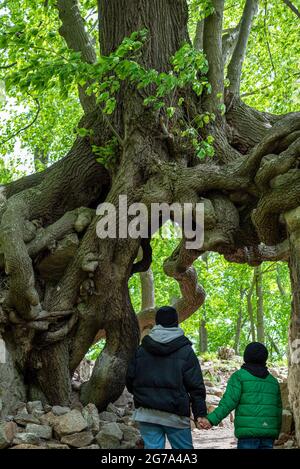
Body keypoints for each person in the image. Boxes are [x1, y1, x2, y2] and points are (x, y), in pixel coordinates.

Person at [126, 306, 207, 449]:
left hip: (147, 413)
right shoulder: (186, 351)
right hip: (175, 414)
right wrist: (199, 413)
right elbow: (196, 386)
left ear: (157, 323)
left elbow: (130, 380)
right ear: (176, 323)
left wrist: (143, 396)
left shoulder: (141, 349)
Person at [199, 342, 282, 449]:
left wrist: (210, 420)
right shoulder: (273, 382)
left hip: (247, 435)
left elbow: (228, 403)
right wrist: (276, 431)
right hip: (268, 435)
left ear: (246, 357)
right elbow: (278, 410)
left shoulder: (239, 377)